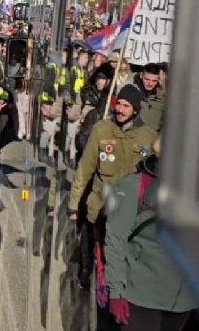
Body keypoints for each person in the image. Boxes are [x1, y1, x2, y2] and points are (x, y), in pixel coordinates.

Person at [68, 84, 158, 291]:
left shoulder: (148, 137)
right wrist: (74, 205)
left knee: (117, 255)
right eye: (119, 104)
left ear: (135, 109)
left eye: (126, 106)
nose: (120, 109)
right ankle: (85, 274)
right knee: (91, 246)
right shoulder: (101, 129)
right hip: (99, 205)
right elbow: (85, 168)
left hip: (128, 212)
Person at [104, 138, 195, 330]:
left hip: (183, 302)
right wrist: (116, 292)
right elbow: (115, 240)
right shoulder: (135, 185)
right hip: (141, 297)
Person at [135, 63, 167, 133]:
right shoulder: (131, 90)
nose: (150, 83)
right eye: (147, 79)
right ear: (141, 76)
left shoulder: (161, 95)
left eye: (154, 81)